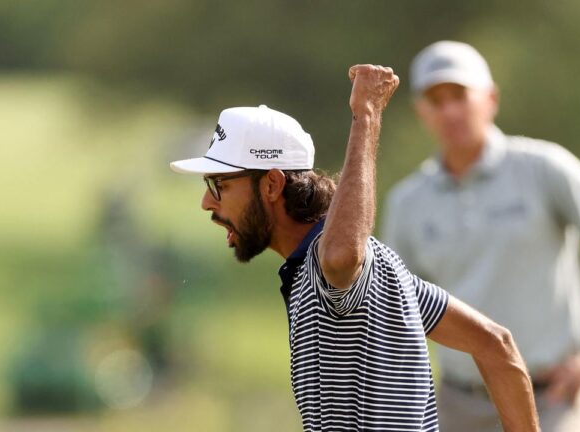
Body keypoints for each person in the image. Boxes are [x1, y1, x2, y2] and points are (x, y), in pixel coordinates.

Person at [170, 65, 539, 431]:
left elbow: (342, 255)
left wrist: (366, 114)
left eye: (219, 185)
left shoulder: (330, 268)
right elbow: (496, 345)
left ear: (271, 186)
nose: (207, 201)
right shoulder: (379, 273)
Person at [383, 42, 580, 432]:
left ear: (490, 98)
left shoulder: (544, 168)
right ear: (420, 111)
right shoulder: (407, 202)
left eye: (459, 95)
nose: (449, 111)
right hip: (459, 406)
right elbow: (394, 315)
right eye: (435, 99)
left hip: (552, 400)